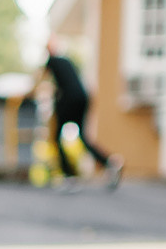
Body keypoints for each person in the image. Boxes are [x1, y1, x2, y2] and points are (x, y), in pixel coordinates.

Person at [39, 38, 119, 189]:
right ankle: (109, 163)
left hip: (69, 99)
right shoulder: (67, 61)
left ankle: (69, 176)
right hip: (83, 97)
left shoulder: (52, 61)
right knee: (82, 137)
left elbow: (42, 82)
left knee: (56, 138)